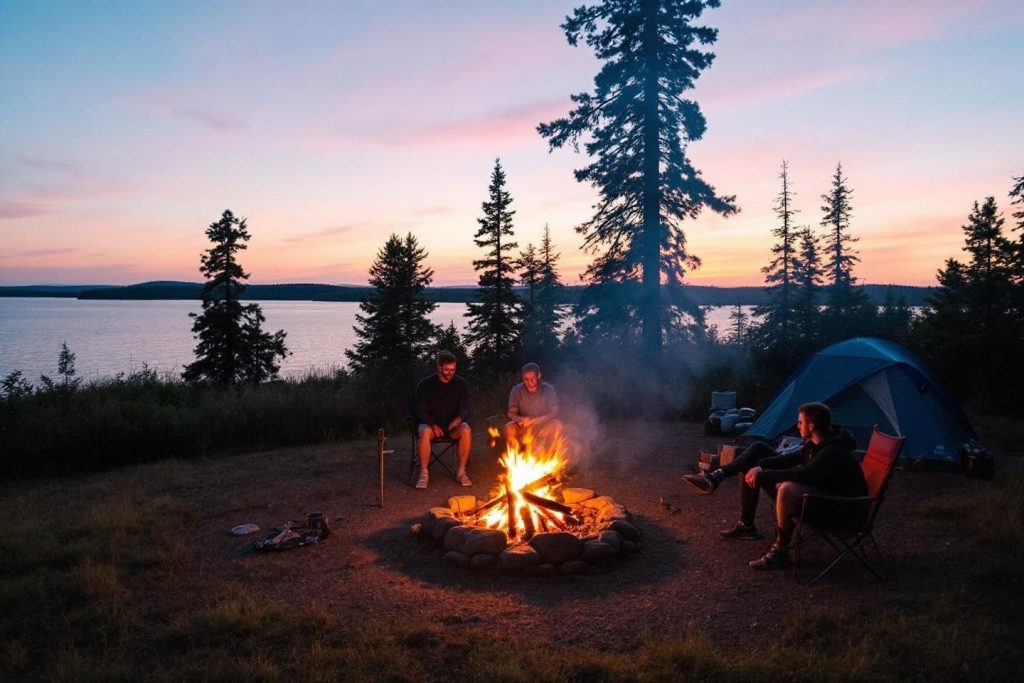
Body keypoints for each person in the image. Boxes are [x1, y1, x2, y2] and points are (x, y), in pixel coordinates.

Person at [684, 402, 866, 570]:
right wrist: (760, 465)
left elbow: (803, 475)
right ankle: (719, 481)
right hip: (823, 498)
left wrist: (763, 474)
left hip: (839, 511)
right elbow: (790, 459)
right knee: (757, 450)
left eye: (800, 423)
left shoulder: (831, 452)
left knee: (787, 488)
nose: (797, 426)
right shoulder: (816, 444)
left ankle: (781, 552)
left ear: (811, 426)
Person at [413, 350, 472, 489]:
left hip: (452, 427)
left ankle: (461, 472)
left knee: (466, 429)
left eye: (453, 369)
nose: (451, 373)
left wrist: (458, 419)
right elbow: (419, 410)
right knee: (425, 431)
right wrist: (432, 424)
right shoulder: (425, 385)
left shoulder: (461, 384)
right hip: (431, 426)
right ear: (439, 368)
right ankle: (424, 473)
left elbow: (466, 407)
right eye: (447, 370)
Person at [504, 362, 560, 443]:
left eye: (532, 379)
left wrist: (540, 420)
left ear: (539, 376)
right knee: (509, 427)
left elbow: (554, 411)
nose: (529, 382)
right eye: (526, 379)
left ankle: (547, 451)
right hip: (524, 424)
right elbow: (511, 413)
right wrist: (520, 419)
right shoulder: (516, 390)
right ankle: (515, 454)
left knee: (557, 425)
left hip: (544, 423)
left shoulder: (548, 389)